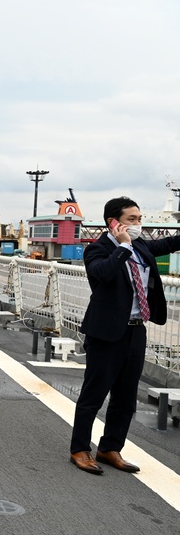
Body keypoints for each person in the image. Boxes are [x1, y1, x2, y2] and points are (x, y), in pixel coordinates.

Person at [69, 197, 180, 474]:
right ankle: (80, 449)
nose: (138, 224)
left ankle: (110, 448)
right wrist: (124, 247)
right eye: (132, 219)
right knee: (93, 395)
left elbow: (169, 244)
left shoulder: (143, 246)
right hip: (106, 332)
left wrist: (133, 245)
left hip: (135, 330)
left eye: (139, 219)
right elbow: (102, 275)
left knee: (126, 397)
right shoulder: (97, 250)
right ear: (114, 222)